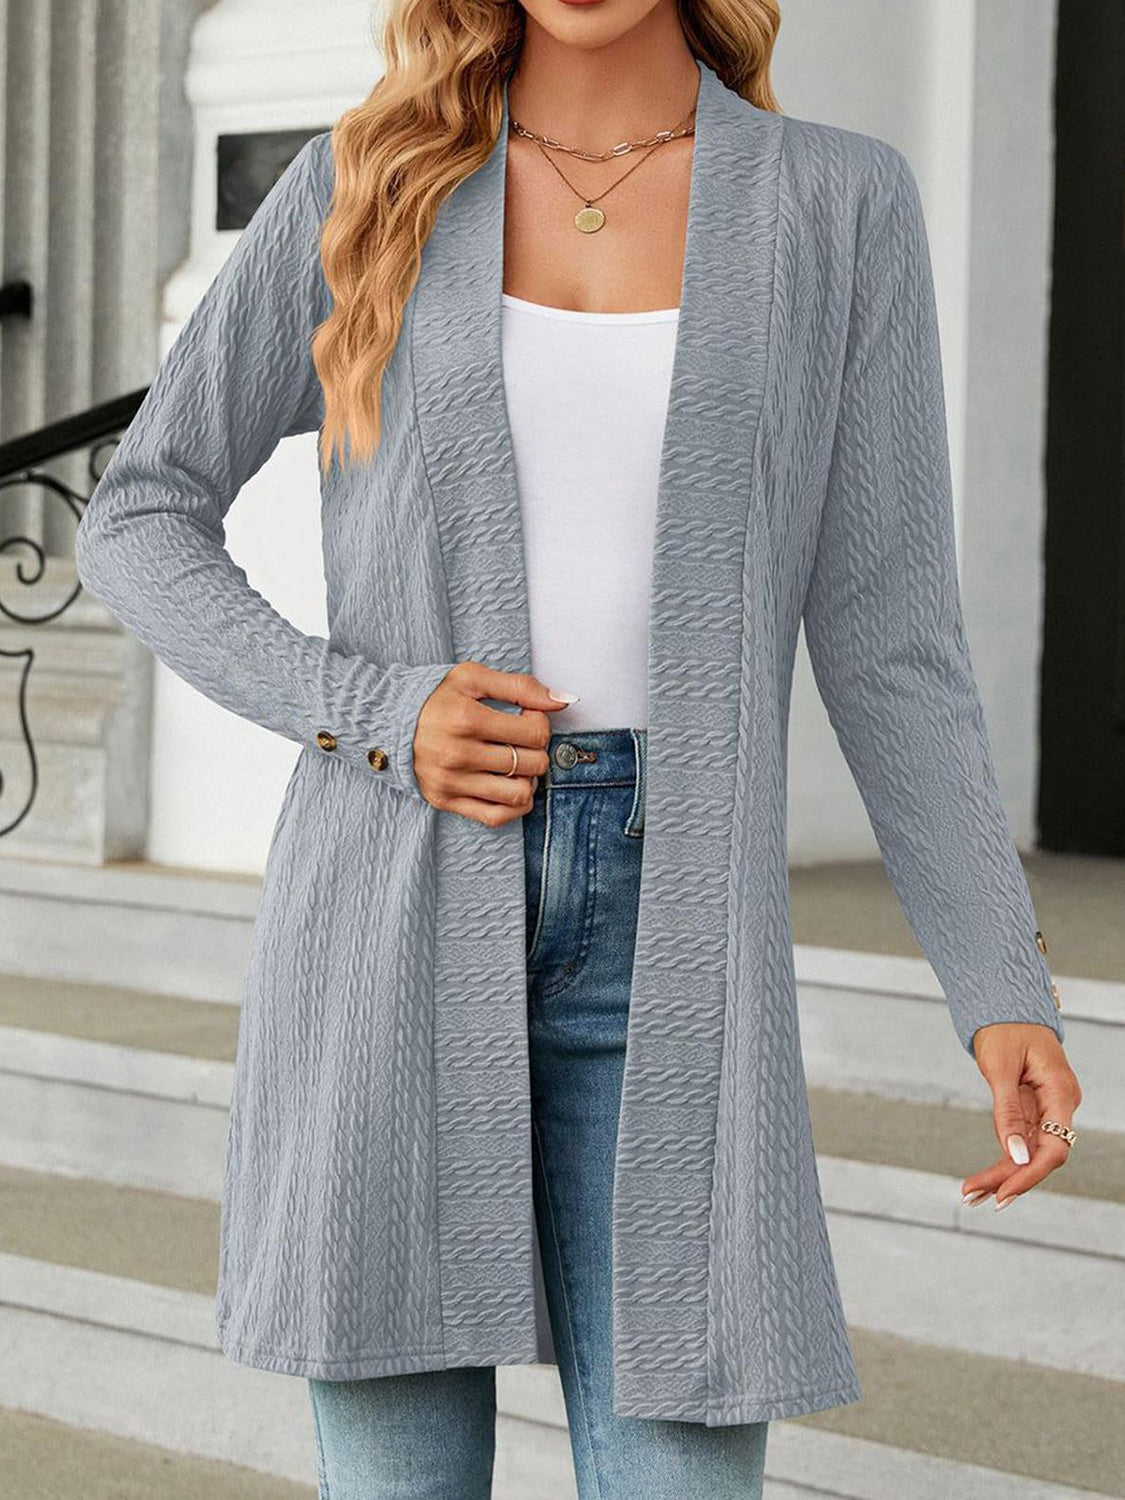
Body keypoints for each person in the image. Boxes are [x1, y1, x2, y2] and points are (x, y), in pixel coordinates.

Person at [73, 0, 1085, 1495]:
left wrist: (997, 980)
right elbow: (139, 514)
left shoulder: (834, 203)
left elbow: (891, 641)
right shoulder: (371, 180)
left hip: (677, 921)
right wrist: (369, 709)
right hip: (395, 899)